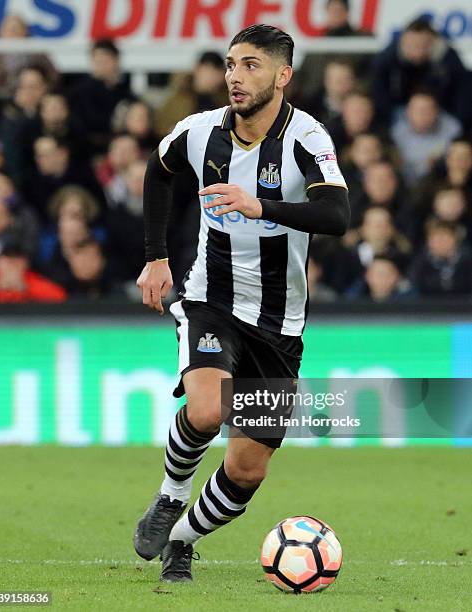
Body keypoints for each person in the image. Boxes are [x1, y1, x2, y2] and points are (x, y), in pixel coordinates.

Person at [134, 24, 350, 583]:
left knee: (246, 470)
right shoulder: (199, 131)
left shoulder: (308, 138)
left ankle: (181, 540)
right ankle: (168, 497)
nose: (236, 75)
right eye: (232, 64)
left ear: (283, 76)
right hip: (212, 298)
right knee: (207, 409)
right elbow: (157, 175)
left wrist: (262, 207)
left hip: (280, 321)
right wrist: (157, 256)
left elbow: (337, 216)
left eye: (252, 65)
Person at [372, 18, 472, 128]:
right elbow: (380, 97)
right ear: (403, 42)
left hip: (441, 115)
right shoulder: (386, 60)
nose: (417, 50)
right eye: (412, 44)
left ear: (433, 43)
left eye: (422, 45)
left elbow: (462, 96)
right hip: (398, 115)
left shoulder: (449, 60)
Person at [390, 90, 461, 187]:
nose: (422, 114)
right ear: (408, 111)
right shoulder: (397, 132)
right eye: (417, 110)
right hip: (404, 185)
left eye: (427, 110)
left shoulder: (452, 129)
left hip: (440, 184)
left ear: (436, 112)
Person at [0, 243, 66, 303]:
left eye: (17, 259)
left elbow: (59, 296)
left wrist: (26, 290)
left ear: (26, 263)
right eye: (8, 259)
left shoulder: (31, 279)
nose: (12, 264)